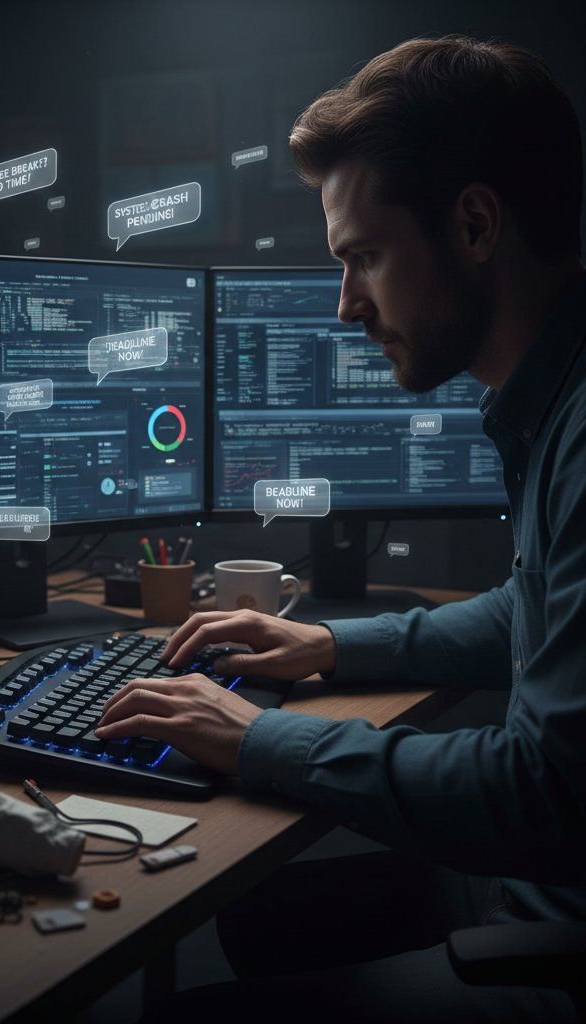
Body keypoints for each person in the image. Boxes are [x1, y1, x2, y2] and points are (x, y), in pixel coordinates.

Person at [95, 34, 586, 1023]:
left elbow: (545, 795)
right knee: (256, 917)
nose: (346, 305)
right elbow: (529, 611)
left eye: (364, 256)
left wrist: (262, 738)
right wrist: (326, 644)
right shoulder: (557, 398)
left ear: (476, 224)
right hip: (543, 895)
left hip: (562, 937)